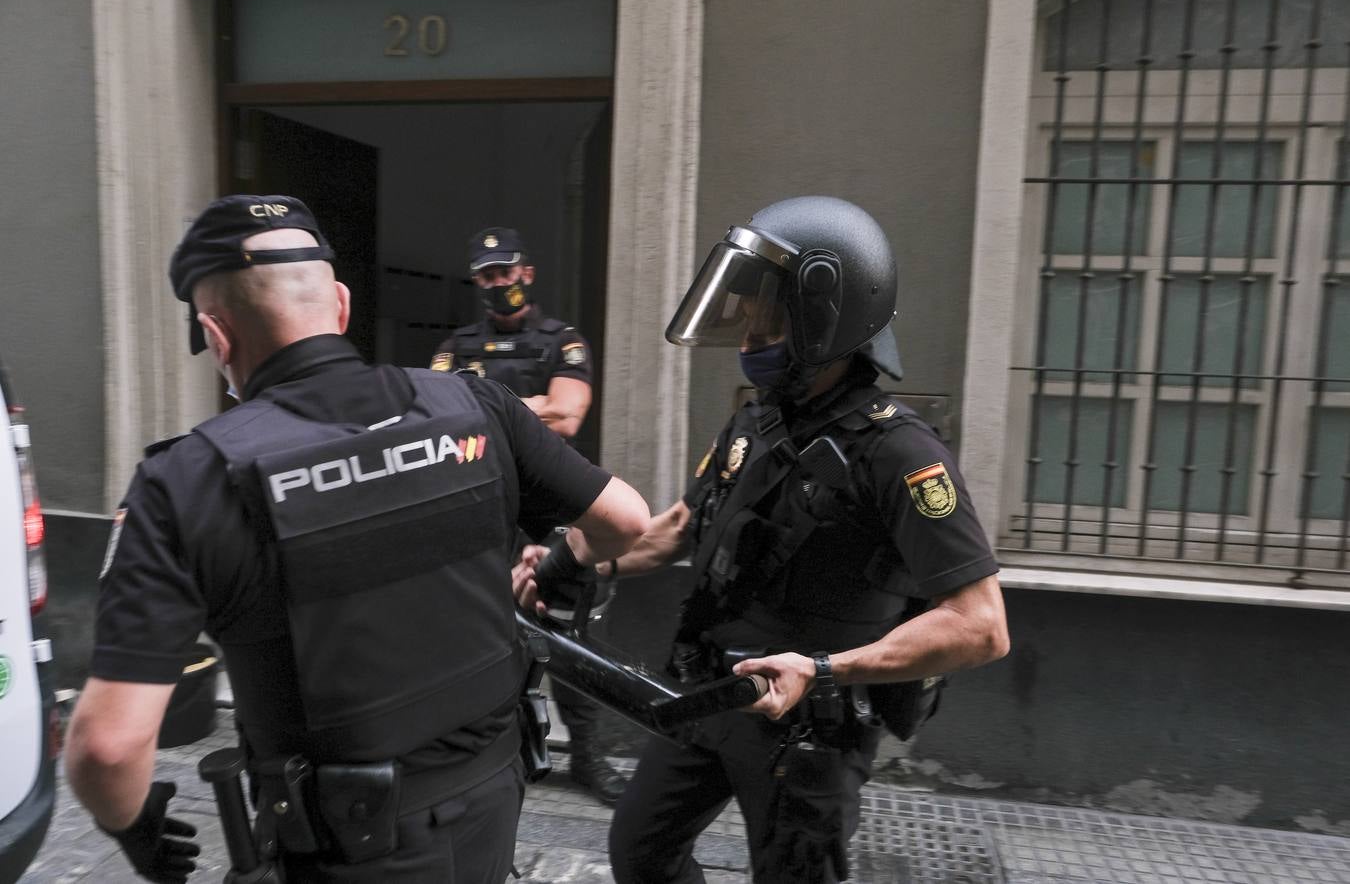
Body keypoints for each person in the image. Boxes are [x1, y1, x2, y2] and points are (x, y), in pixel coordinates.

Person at [64, 195, 650, 884]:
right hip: (493, 801)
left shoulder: (184, 483)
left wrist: (132, 828)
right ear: (338, 305)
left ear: (217, 338)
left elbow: (107, 747)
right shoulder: (477, 405)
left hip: (346, 847)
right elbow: (626, 522)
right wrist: (553, 567)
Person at [530, 195, 1009, 883]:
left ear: (826, 317)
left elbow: (982, 626)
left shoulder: (901, 453)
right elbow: (676, 531)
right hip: (708, 696)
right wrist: (569, 553)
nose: (749, 334)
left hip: (808, 723)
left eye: (769, 315)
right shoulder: (759, 421)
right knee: (641, 852)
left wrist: (822, 670)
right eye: (747, 311)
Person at [430, 227, 626, 806]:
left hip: (549, 510)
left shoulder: (561, 342)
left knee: (570, 633)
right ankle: (495, 755)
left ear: (527, 274)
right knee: (482, 631)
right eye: (487, 276)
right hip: (482, 508)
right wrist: (527, 408)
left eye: (506, 272)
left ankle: (589, 759)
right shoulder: (456, 346)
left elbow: (567, 417)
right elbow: (439, 421)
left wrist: (484, 401)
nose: (498, 284)